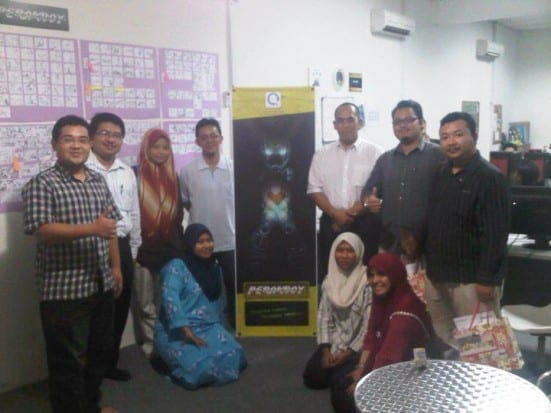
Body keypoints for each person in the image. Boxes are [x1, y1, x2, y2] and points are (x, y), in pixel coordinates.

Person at [22, 115, 122, 413]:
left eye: (82, 139)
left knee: (96, 356)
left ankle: (91, 407)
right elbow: (41, 229)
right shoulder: (42, 184)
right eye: (68, 139)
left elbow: (110, 227)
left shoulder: (97, 180)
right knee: (68, 364)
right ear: (55, 144)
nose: (76, 145)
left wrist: (115, 268)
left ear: (89, 143)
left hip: (101, 283)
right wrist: (92, 228)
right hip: (64, 291)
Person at [425, 112, 510, 346]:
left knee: (482, 346)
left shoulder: (489, 177)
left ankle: (481, 383)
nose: (451, 142)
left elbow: (495, 234)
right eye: (444, 137)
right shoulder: (441, 174)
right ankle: (456, 381)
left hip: (472, 281)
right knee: (447, 339)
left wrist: (487, 279)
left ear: (474, 136)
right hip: (438, 276)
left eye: (458, 135)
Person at [334, 252, 434, 413]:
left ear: (394, 274)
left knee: (348, 399)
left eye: (381, 274)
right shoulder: (384, 298)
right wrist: (361, 367)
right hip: (388, 360)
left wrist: (367, 386)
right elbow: (372, 334)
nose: (375, 281)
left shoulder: (405, 307)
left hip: (413, 370)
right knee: (340, 382)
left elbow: (389, 356)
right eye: (371, 275)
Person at [154, 223, 247, 389]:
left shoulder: (213, 267)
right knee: (200, 367)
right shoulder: (177, 266)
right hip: (176, 330)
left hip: (207, 326)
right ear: (190, 244)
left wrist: (221, 330)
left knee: (236, 354)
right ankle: (169, 363)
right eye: (200, 242)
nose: (207, 245)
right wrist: (184, 327)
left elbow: (217, 304)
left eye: (209, 240)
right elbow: (169, 296)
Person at [87, 112, 141, 381]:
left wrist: (132, 249)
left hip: (121, 244)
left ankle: (109, 364)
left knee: (118, 310)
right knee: (94, 310)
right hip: (91, 245)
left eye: (116, 135)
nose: (111, 139)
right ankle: (90, 368)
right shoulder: (82, 168)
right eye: (104, 133)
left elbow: (134, 213)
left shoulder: (127, 171)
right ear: (92, 138)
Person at [307, 102, 382, 276]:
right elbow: (314, 189)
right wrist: (335, 213)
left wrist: (350, 214)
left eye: (350, 119)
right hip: (331, 224)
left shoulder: (376, 153)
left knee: (366, 273)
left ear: (359, 122)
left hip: (365, 223)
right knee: (332, 274)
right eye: (340, 121)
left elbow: (378, 189)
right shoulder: (321, 154)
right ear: (334, 125)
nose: (346, 125)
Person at [361, 99, 445, 253]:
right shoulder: (385, 159)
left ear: (422, 123)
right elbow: (367, 193)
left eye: (408, 120)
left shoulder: (439, 156)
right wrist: (368, 201)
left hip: (427, 245)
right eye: (397, 122)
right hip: (389, 243)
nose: (402, 125)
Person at [303, 232, 371, 412]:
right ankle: (336, 370)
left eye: (350, 250)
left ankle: (344, 372)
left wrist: (347, 354)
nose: (345, 255)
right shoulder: (329, 281)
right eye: (340, 250)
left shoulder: (366, 282)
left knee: (340, 398)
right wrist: (326, 350)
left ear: (358, 253)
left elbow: (368, 327)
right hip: (334, 344)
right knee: (312, 378)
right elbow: (324, 317)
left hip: (357, 350)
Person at [179, 118, 236, 329]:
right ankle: (203, 326)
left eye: (213, 136)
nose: (209, 140)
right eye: (204, 137)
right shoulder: (187, 172)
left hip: (230, 239)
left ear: (220, 138)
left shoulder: (234, 167)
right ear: (197, 142)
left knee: (232, 286)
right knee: (201, 287)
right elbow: (185, 203)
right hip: (200, 243)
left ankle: (234, 325)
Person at [134, 128, 185, 358]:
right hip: (144, 250)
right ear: (147, 148)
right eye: (156, 146)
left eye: (166, 147)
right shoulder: (135, 175)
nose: (161, 152)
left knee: (167, 300)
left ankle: (167, 341)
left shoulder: (174, 176)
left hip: (170, 249)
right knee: (146, 304)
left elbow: (179, 216)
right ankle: (151, 345)